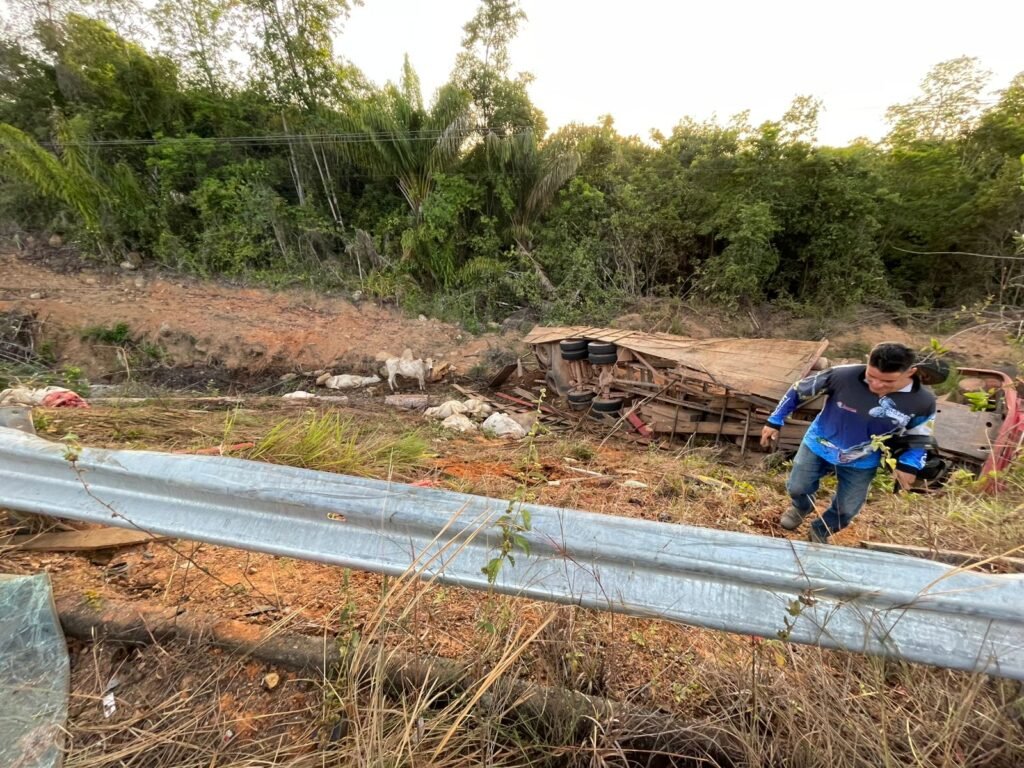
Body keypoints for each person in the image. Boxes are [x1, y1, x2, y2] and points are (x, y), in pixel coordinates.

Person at [760, 342, 936, 543]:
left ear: (910, 372)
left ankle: (822, 529)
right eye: (872, 377)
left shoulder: (922, 402)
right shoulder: (842, 376)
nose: (876, 385)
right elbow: (799, 390)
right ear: (868, 358)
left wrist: (909, 465)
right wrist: (774, 420)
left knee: (847, 510)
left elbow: (920, 436)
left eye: (887, 381)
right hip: (819, 442)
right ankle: (802, 506)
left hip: (863, 458)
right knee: (797, 487)